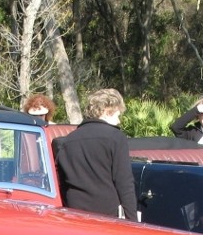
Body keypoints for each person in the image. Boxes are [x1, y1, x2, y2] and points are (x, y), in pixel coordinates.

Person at [52, 88, 139, 219]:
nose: (119, 121)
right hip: (106, 215)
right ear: (107, 111)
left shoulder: (67, 141)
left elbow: (62, 183)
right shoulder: (115, 137)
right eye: (117, 115)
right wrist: (132, 221)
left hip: (74, 213)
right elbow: (124, 183)